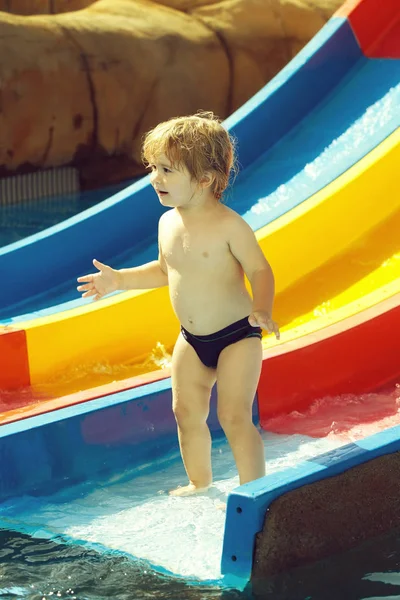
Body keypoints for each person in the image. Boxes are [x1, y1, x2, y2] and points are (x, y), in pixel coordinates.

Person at [77, 111, 280, 496]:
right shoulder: (168, 223)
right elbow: (165, 270)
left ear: (204, 180)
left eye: (167, 170)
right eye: (153, 167)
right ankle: (200, 483)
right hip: (191, 339)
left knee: (234, 416)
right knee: (185, 414)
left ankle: (254, 493)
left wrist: (264, 307)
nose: (155, 178)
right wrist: (118, 280)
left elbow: (260, 270)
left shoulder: (230, 226)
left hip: (238, 336)